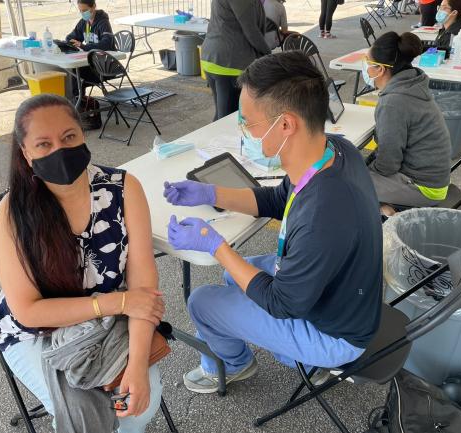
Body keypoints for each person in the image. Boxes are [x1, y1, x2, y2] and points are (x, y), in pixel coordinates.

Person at [163, 51, 383, 394]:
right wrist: (210, 193)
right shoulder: (333, 151)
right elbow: (277, 200)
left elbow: (282, 303)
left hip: (336, 334)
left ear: (285, 124)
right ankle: (289, 353)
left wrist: (216, 245)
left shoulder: (325, 211)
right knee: (233, 274)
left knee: (203, 301)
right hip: (343, 295)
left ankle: (236, 365)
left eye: (247, 121)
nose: (242, 129)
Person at [0, 94, 165, 432]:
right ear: (26, 154)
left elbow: (144, 288)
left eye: (69, 137)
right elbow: (29, 311)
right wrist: (120, 302)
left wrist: (138, 365)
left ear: (83, 135)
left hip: (107, 325)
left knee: (139, 406)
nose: (60, 150)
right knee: (86, 414)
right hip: (35, 334)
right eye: (44, 144)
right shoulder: (13, 213)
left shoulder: (123, 188)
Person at [363, 32, 451, 213]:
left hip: (424, 188)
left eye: (368, 63)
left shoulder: (394, 102)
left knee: (345, 182)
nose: (366, 68)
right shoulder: (412, 84)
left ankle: (385, 212)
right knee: (355, 171)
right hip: (433, 179)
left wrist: (365, 170)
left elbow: (388, 165)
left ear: (380, 69)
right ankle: (384, 207)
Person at [200, 0, 271, 121]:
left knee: (222, 116)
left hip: (213, 58)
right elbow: (251, 31)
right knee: (228, 119)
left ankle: (216, 138)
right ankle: (219, 139)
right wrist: (268, 53)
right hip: (229, 62)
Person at [64, 0, 115, 96]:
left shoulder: (103, 22)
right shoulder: (84, 22)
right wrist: (70, 42)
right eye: (80, 11)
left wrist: (84, 46)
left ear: (93, 6)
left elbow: (106, 44)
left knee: (76, 75)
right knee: (74, 72)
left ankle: (80, 102)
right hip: (93, 63)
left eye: (85, 10)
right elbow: (70, 37)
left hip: (106, 66)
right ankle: (80, 101)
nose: (83, 13)